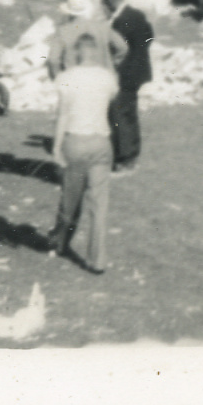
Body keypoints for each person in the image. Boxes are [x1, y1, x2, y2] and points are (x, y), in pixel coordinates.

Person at [49, 31, 118, 274]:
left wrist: (56, 147)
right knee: (99, 205)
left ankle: (60, 240)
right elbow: (110, 100)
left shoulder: (66, 77)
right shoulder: (107, 77)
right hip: (101, 142)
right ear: (97, 52)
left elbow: (63, 115)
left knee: (70, 198)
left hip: (75, 141)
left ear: (76, 52)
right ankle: (97, 260)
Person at [101, 0, 154, 175]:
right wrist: (141, 53)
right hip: (139, 71)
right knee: (130, 113)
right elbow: (150, 36)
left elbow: (116, 48)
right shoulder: (137, 14)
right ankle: (131, 154)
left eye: (105, 2)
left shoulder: (120, 21)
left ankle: (125, 158)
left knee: (119, 115)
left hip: (125, 74)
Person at [46, 0, 128, 80]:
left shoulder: (63, 31)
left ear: (70, 12)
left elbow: (53, 59)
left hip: (76, 80)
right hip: (103, 77)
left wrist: (59, 79)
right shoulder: (103, 27)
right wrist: (112, 63)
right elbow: (122, 47)